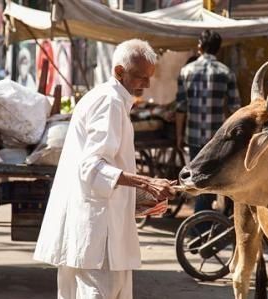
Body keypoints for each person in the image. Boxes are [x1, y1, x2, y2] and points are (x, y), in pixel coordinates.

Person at [34, 39, 176, 299]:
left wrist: (137, 197)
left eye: (149, 78)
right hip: (98, 231)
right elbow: (92, 166)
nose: (145, 84)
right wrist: (147, 183)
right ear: (119, 72)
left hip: (95, 224)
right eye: (139, 77)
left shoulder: (112, 99)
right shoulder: (109, 102)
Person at [175, 30, 241, 214]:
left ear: (200, 47)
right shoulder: (226, 72)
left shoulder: (186, 71)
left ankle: (201, 225)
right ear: (218, 50)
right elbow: (236, 109)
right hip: (217, 140)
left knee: (198, 181)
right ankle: (204, 224)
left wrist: (179, 136)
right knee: (212, 181)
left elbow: (181, 107)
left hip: (194, 137)